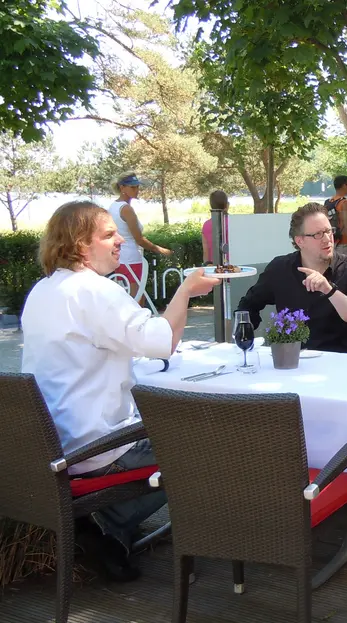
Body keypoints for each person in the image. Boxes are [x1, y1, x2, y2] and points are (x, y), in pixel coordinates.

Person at [21, 201, 219, 581]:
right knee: (204, 444)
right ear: (81, 244)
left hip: (55, 445)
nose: (119, 242)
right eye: (108, 235)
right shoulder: (95, 291)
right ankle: (112, 526)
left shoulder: (43, 291)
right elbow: (162, 342)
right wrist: (186, 291)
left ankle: (108, 528)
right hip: (97, 447)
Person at [236, 202, 347, 353]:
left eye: (329, 231)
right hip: (291, 361)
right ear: (299, 241)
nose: (327, 239)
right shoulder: (280, 269)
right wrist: (244, 334)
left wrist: (329, 290)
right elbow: (249, 305)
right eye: (318, 234)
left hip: (339, 361)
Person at [108, 172, 172, 300]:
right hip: (131, 258)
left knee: (125, 297)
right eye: (133, 187)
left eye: (137, 187)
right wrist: (161, 250)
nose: (137, 190)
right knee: (137, 298)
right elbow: (139, 239)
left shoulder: (112, 206)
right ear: (122, 188)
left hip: (120, 258)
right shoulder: (126, 209)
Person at [325, 175, 347, 255]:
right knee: (345, 266)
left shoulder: (328, 202)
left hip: (332, 240)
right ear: (344, 185)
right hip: (344, 241)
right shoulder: (344, 203)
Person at [201, 190, 230, 263]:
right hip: (233, 267)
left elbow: (205, 252)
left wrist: (206, 266)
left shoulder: (206, 225)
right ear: (227, 205)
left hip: (214, 267)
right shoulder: (233, 223)